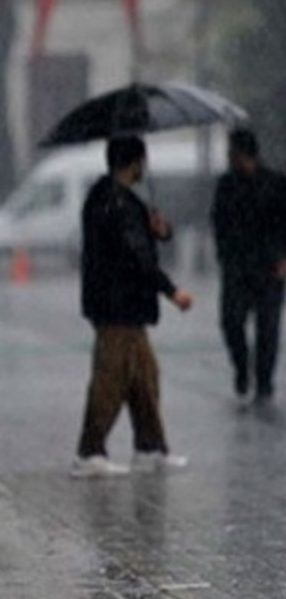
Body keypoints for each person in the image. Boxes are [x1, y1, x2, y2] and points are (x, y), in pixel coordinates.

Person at [73, 135, 192, 478]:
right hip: (116, 307)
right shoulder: (114, 202)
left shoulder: (117, 200)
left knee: (144, 377)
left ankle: (150, 447)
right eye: (142, 160)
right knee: (109, 380)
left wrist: (160, 230)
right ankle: (89, 452)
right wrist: (172, 291)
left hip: (124, 307)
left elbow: (144, 239)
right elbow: (137, 257)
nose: (145, 167)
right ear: (133, 162)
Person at [211, 128, 286, 402]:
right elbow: (218, 223)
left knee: (268, 329)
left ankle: (264, 382)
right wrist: (223, 256)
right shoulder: (226, 185)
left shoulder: (276, 184)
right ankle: (242, 367)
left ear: (242, 153)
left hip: (269, 267)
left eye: (231, 151)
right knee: (231, 322)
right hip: (236, 267)